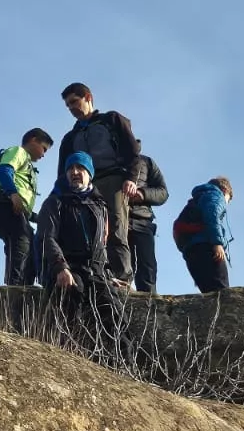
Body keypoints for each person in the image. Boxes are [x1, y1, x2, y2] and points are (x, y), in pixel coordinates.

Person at [56, 82, 145, 285]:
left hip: (113, 180)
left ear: (88, 97)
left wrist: (131, 179)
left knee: (115, 228)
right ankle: (100, 279)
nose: (71, 108)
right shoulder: (70, 138)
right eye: (68, 106)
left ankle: (122, 279)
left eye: (74, 102)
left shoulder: (111, 120)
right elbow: (63, 172)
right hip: (84, 188)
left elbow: (133, 152)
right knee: (90, 234)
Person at [39, 152, 128, 351]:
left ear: (90, 174)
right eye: (70, 169)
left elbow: (100, 246)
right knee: (71, 303)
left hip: (96, 273)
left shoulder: (100, 207)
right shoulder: (55, 203)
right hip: (69, 269)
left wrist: (107, 274)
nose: (75, 172)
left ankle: (122, 368)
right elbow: (47, 238)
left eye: (80, 168)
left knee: (114, 314)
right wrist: (61, 267)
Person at [0, 128, 54, 286]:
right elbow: (5, 171)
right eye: (44, 148)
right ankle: (15, 288)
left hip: (16, 209)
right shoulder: (18, 152)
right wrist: (13, 193)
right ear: (33, 140)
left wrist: (37, 218)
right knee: (21, 242)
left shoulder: (28, 165)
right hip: (5, 203)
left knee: (30, 244)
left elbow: (23, 204)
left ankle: (26, 285)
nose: (44, 154)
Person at [172, 176, 234, 293]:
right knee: (222, 291)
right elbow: (212, 216)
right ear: (225, 191)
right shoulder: (216, 195)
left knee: (208, 292)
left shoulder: (199, 198)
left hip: (191, 250)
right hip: (206, 246)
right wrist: (217, 243)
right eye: (228, 199)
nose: (227, 203)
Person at [127, 145, 169, 293]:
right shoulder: (106, 160)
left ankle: (150, 311)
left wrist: (142, 194)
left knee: (147, 271)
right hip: (113, 222)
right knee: (115, 272)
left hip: (141, 222)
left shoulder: (146, 162)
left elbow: (163, 193)